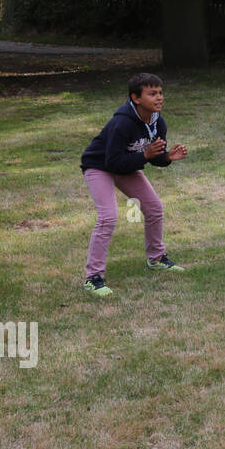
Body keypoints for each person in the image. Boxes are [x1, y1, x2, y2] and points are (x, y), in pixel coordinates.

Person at [80, 73, 188, 296]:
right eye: (152, 94)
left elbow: (153, 157)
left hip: (125, 164)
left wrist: (166, 157)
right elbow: (113, 162)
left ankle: (156, 259)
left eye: (160, 93)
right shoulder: (122, 123)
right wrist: (145, 155)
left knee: (154, 208)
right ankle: (93, 278)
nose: (159, 98)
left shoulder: (158, 122)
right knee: (108, 217)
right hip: (99, 166)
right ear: (135, 98)